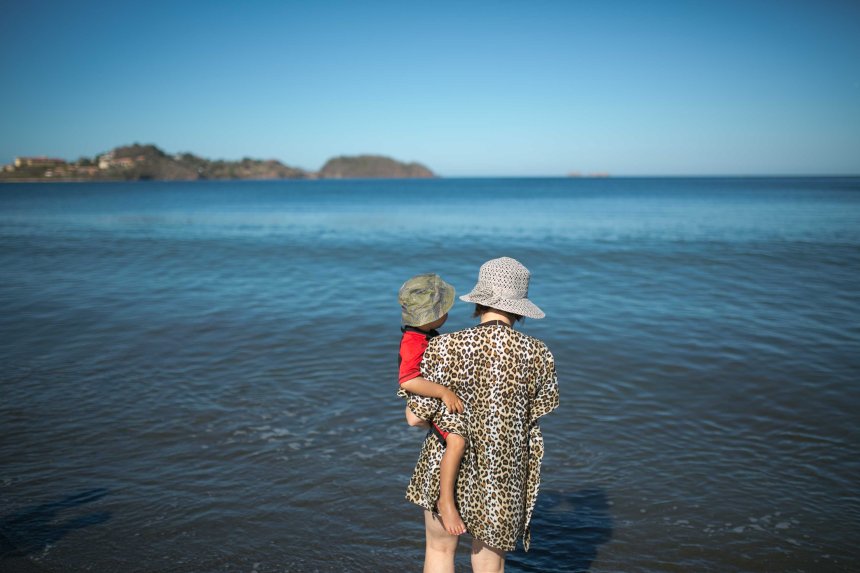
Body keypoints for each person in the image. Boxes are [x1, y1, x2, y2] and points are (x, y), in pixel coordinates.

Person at [404, 257, 559, 573]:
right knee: (490, 565)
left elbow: (416, 418)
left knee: (439, 551)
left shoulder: (444, 346)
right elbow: (539, 412)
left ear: (479, 301)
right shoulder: (538, 353)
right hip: (502, 474)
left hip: (444, 464)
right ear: (519, 306)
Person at [397, 273, 469, 535]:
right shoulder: (413, 341)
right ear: (430, 316)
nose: (447, 314)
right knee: (457, 441)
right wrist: (443, 392)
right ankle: (446, 501)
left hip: (428, 398)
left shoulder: (422, 335)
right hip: (425, 397)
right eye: (443, 310)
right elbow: (408, 380)